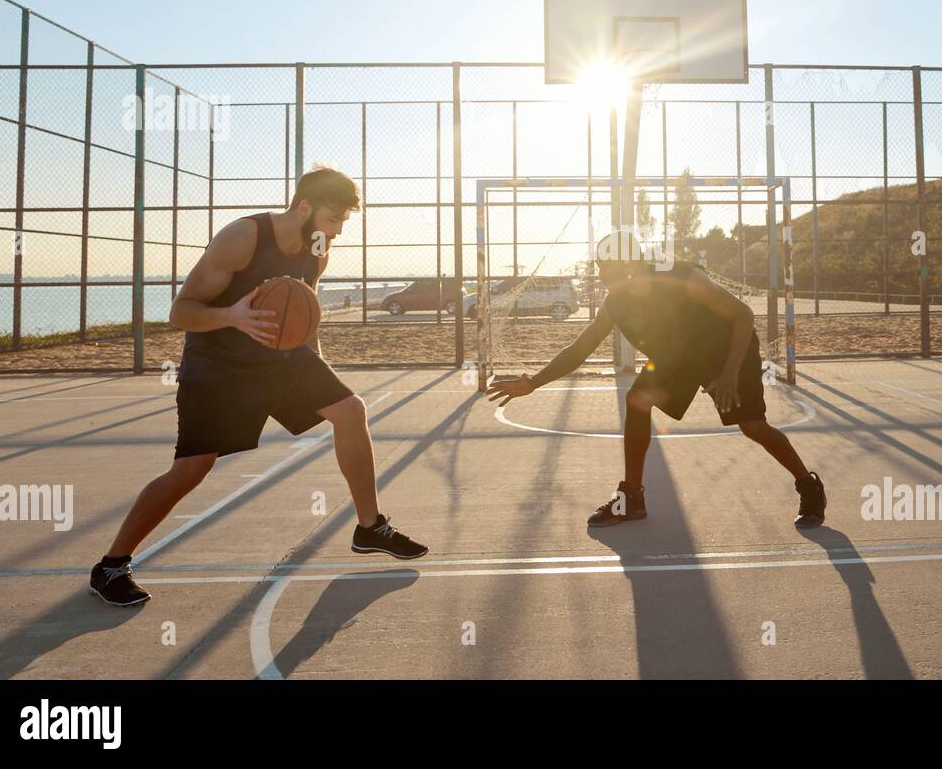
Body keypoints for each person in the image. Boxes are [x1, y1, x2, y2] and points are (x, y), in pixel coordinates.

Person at [90, 166, 428, 607]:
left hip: (281, 359)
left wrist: (316, 362)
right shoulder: (242, 238)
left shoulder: (318, 247)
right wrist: (232, 316)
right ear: (304, 207)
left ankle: (370, 526)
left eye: (345, 220)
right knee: (191, 470)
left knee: (350, 410)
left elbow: (303, 307)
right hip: (218, 366)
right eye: (333, 217)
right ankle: (112, 565)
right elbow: (181, 312)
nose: (339, 229)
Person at [486, 230, 826, 528]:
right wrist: (533, 382)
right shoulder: (616, 301)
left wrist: (729, 373)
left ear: (631, 266)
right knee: (637, 400)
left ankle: (808, 486)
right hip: (678, 358)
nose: (602, 276)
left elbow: (743, 314)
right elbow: (580, 349)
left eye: (609, 269)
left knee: (752, 426)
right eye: (601, 269)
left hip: (727, 351)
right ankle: (631, 497)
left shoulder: (683, 278)